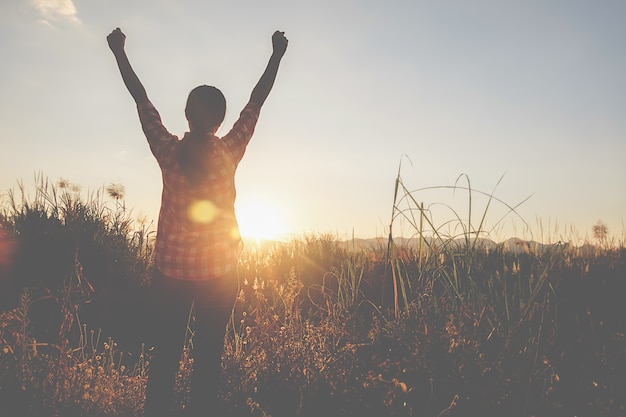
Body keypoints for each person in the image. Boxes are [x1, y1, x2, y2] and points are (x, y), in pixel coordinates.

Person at [107, 27, 288, 416]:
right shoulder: (229, 150)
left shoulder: (167, 150)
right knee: (208, 358)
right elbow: (256, 102)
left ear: (186, 115)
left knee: (166, 355)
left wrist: (119, 52)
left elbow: (141, 100)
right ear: (221, 121)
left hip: (170, 274)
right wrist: (276, 55)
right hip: (219, 276)